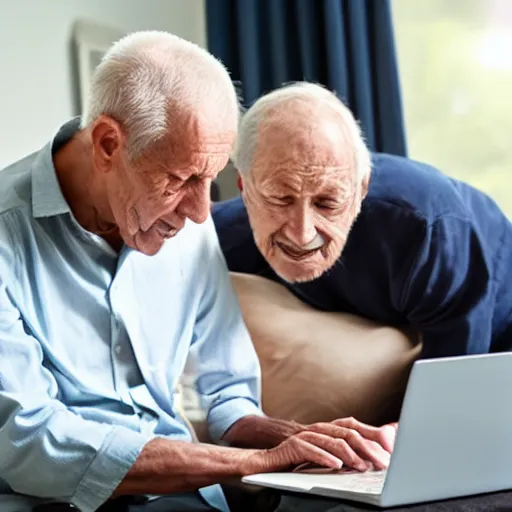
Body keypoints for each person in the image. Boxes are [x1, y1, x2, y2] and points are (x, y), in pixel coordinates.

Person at [0, 34, 396, 512]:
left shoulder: (181, 223)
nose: (200, 212)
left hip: (186, 498)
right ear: (108, 144)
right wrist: (259, 461)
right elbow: (30, 443)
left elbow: (227, 391)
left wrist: (304, 441)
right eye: (182, 179)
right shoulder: (7, 235)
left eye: (211, 178)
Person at [212, 82, 512, 362]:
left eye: (327, 203)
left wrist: (399, 422)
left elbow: (456, 380)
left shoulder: (425, 230)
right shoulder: (220, 237)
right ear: (245, 189)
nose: (302, 234)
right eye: (280, 199)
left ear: (361, 190)